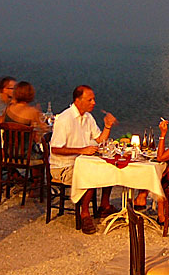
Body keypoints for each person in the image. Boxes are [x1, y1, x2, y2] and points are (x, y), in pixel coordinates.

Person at [49, 85, 118, 234]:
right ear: (77, 100)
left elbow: (99, 139)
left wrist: (107, 126)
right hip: (63, 166)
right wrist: (81, 150)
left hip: (82, 163)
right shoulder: (65, 119)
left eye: (93, 99)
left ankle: (104, 205)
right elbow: (55, 148)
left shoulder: (87, 117)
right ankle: (85, 213)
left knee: (110, 167)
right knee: (90, 174)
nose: (93, 103)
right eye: (89, 100)